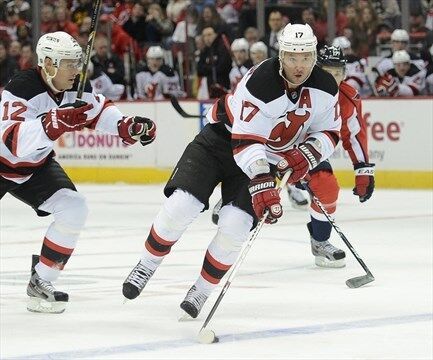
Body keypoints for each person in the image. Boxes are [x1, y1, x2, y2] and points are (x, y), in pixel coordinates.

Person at [122, 23, 341, 319]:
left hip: (262, 159)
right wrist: (263, 180)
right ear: (281, 55)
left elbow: (330, 131)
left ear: (314, 56)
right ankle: (146, 264)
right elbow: (245, 140)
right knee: (181, 206)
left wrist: (307, 154)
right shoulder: (261, 81)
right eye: (292, 57)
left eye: (305, 57)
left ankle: (201, 290)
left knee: (236, 227)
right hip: (221, 141)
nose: (298, 65)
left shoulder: (325, 87)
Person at [0, 31, 156, 314]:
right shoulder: (22, 86)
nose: (77, 69)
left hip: (35, 167)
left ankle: (42, 280)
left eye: (77, 62)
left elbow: (98, 111)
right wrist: (54, 122)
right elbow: (11, 140)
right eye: (69, 63)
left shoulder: (74, 87)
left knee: (74, 208)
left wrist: (127, 126)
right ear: (48, 63)